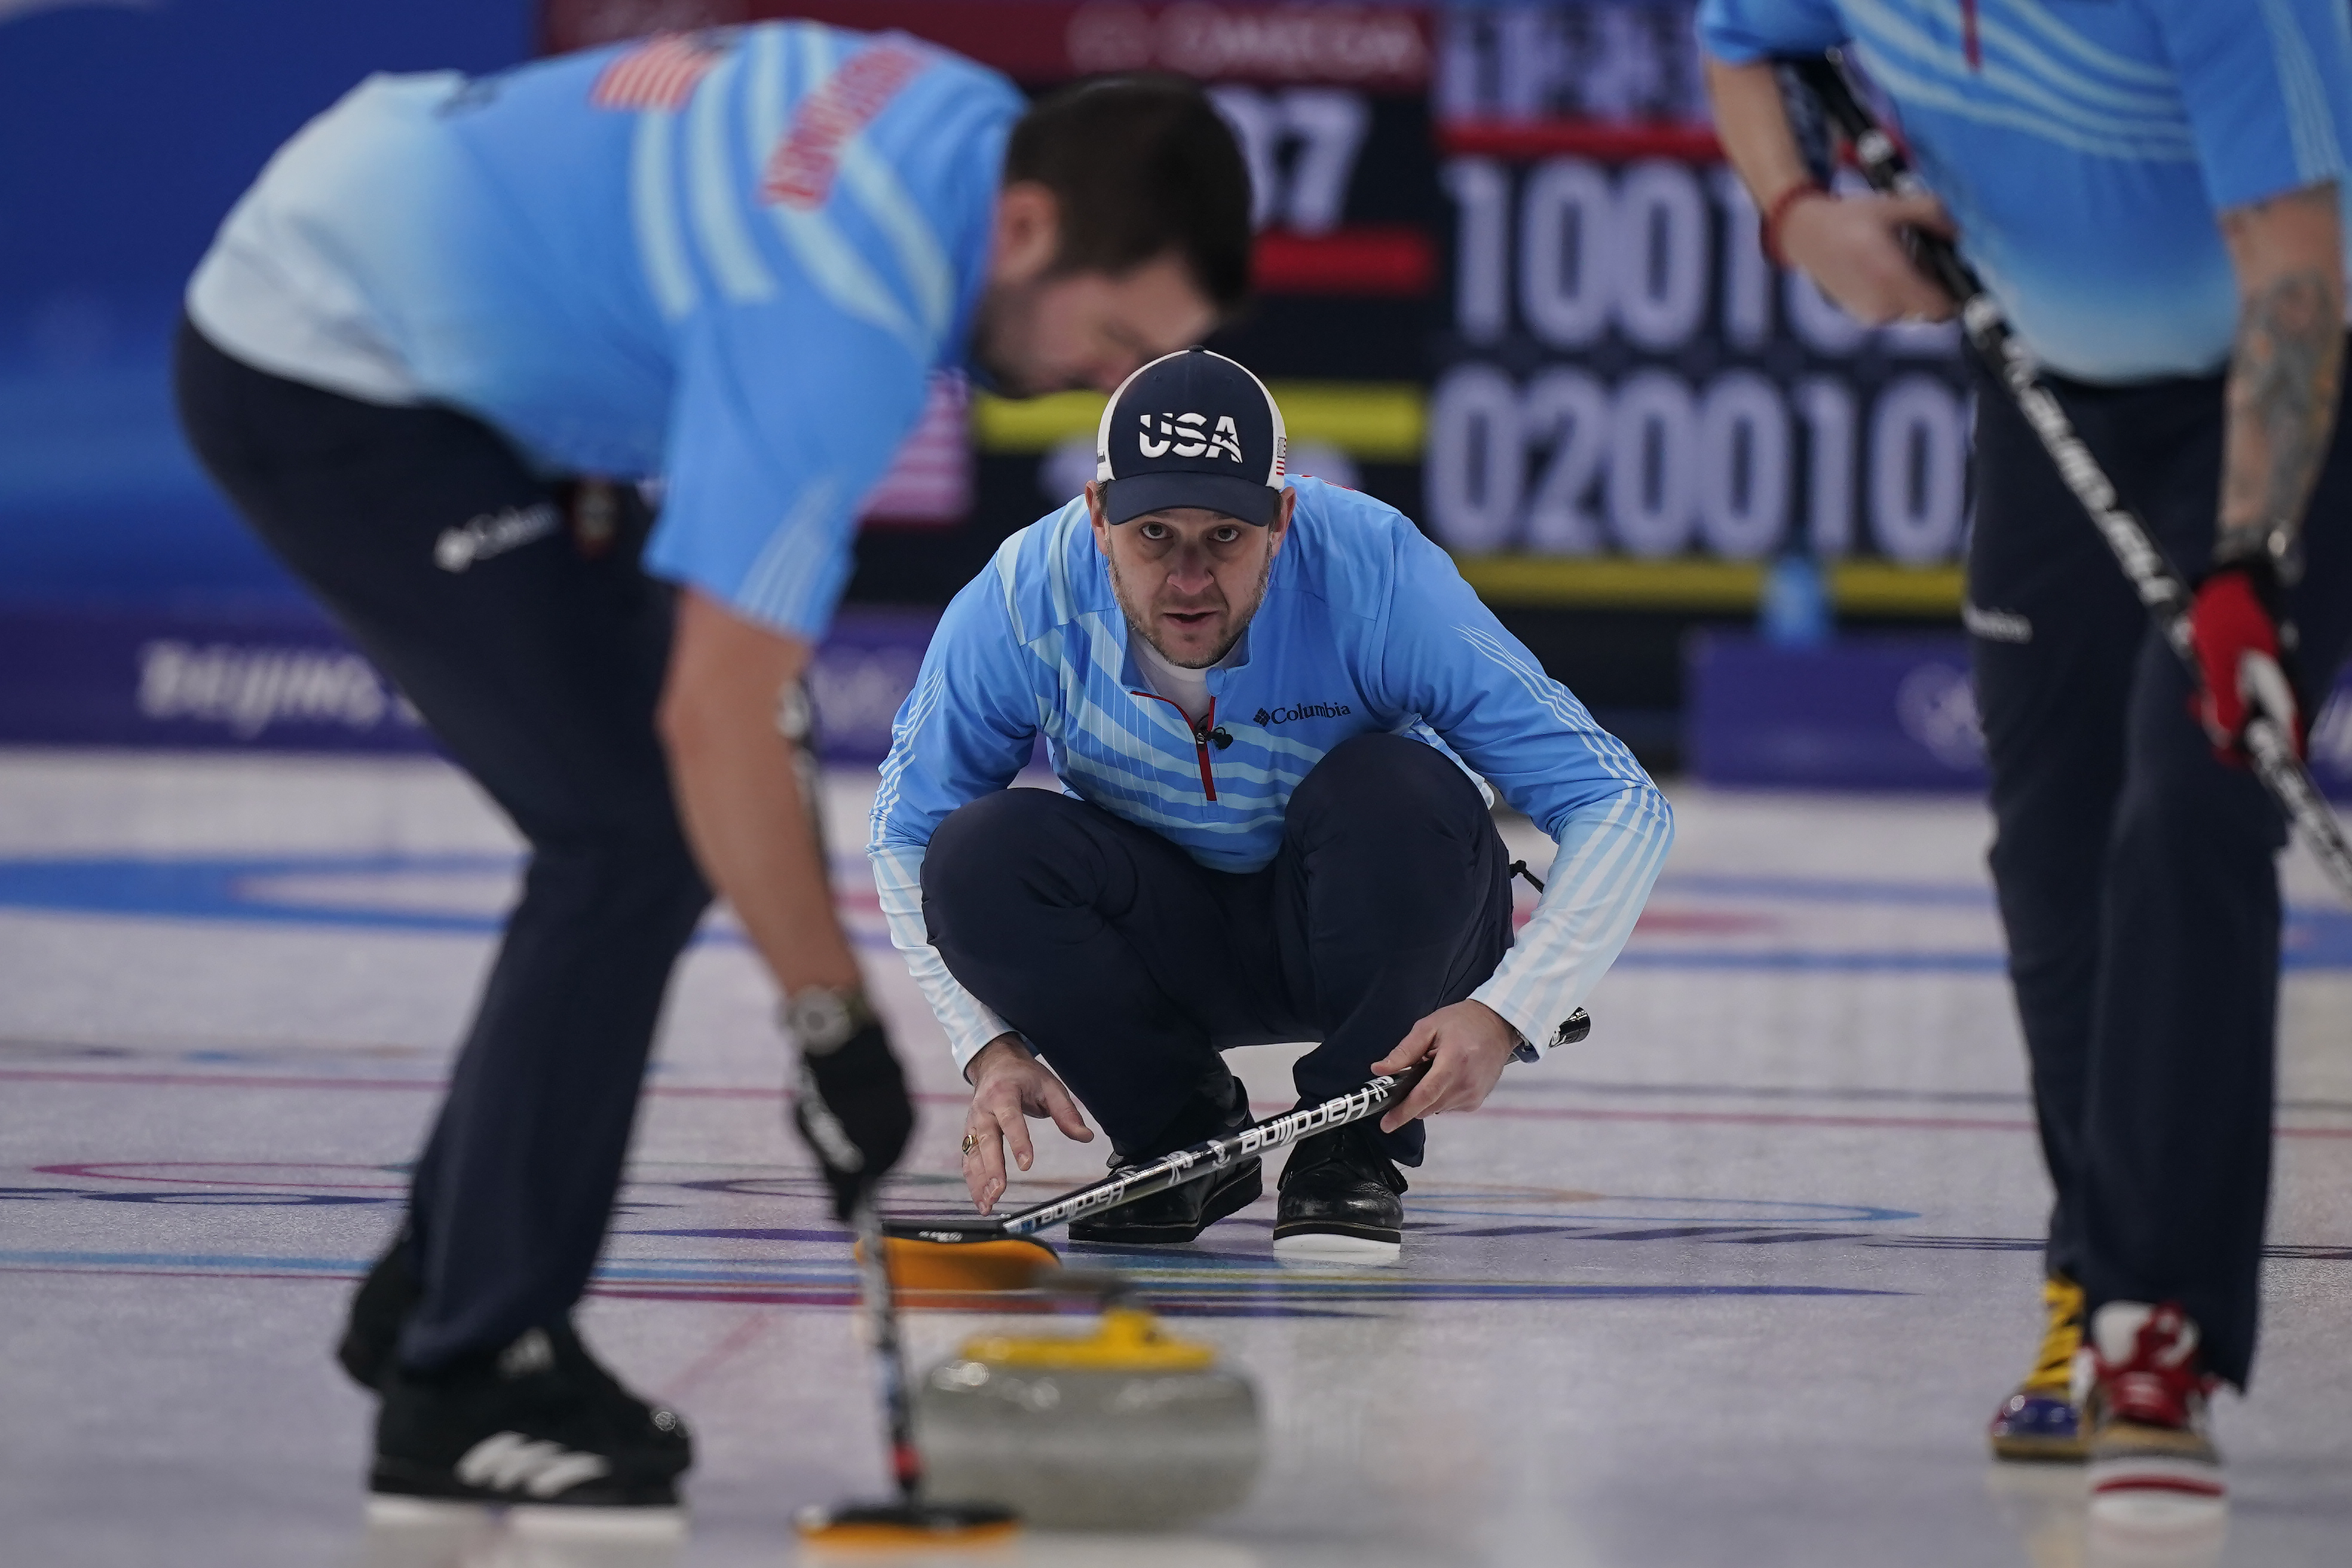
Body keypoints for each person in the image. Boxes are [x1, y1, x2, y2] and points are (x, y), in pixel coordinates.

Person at [173, 22, 1251, 1521]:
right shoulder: (847, 313)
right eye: (1116, 341)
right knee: (624, 834)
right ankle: (464, 1375)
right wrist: (833, 1027)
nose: (1106, 390)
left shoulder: (966, 121)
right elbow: (713, 719)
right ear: (1028, 228)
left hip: (456, 279)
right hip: (328, 354)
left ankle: (435, 1283)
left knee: (645, 826)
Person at [1697, 0, 2352, 1512]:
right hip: (2055, 387)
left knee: (2189, 806)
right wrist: (1801, 217)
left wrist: (2251, 562)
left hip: (2280, 388)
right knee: (2053, 848)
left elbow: (2300, 268)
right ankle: (2096, 1268)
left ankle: (2159, 1327)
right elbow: (1738, 42)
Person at [867, 348, 1673, 1263]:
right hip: (1166, 947)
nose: (1189, 580)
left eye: (1225, 537)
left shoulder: (1379, 573)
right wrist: (988, 1045)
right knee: (977, 855)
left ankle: (1348, 1150)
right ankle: (1175, 1130)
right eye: (1154, 536)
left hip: (1379, 933)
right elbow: (905, 830)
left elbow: (1617, 800)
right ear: (1097, 518)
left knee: (1397, 788)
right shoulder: (1023, 596)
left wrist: (1512, 1010)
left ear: (1283, 519)